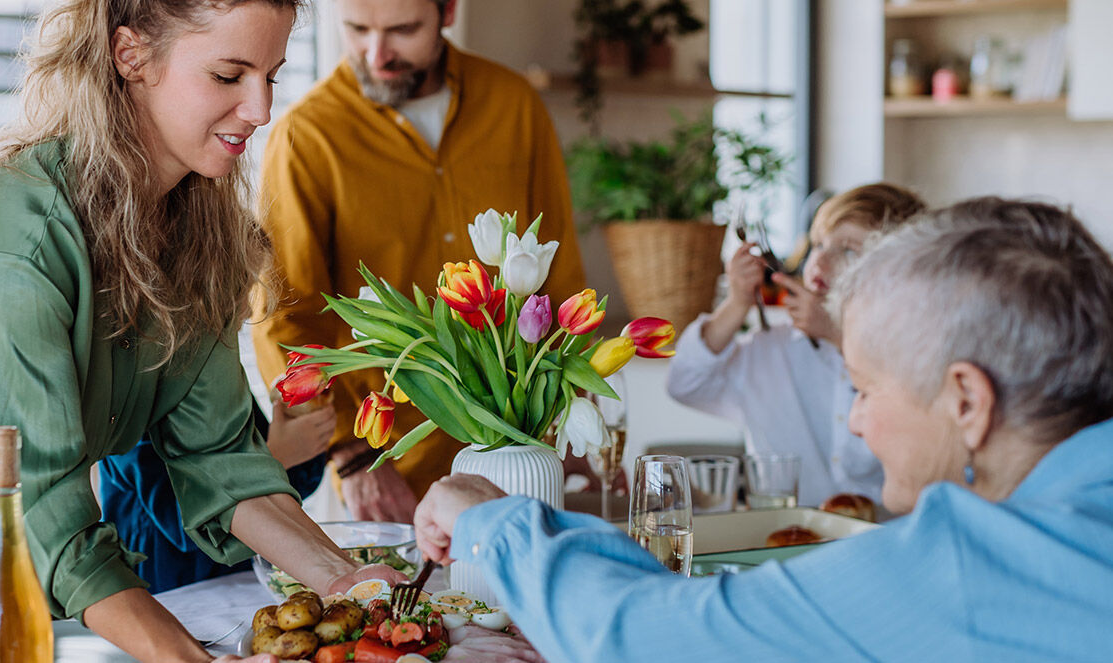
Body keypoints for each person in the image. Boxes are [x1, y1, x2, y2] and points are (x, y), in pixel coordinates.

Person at [0, 1, 401, 659]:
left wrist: (350, 580)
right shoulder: (14, 231)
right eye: (229, 76)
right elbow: (40, 500)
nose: (261, 108)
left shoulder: (193, 233)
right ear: (133, 57)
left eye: (272, 75)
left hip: (28, 595)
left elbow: (221, 460)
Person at [412, 197, 1113, 662]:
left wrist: (494, 522)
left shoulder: (966, 562)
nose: (858, 417)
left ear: (966, 399)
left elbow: (647, 639)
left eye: (864, 387)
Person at [252, 0, 586, 523]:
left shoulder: (514, 105)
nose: (376, 53)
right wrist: (349, 453)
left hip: (521, 451)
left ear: (447, 12)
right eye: (357, 29)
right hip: (385, 465)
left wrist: (580, 417)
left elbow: (559, 275)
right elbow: (285, 314)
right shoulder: (305, 134)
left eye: (403, 30)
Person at [666, 183, 926, 506]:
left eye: (847, 250)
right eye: (818, 244)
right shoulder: (770, 349)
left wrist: (840, 337)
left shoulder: (916, 361)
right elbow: (684, 383)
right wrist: (736, 304)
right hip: (784, 538)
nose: (821, 260)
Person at [99, 396, 333, 593]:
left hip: (243, 573)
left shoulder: (222, 389)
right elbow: (182, 520)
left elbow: (290, 488)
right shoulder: (130, 407)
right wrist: (279, 454)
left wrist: (300, 430)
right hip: (171, 588)